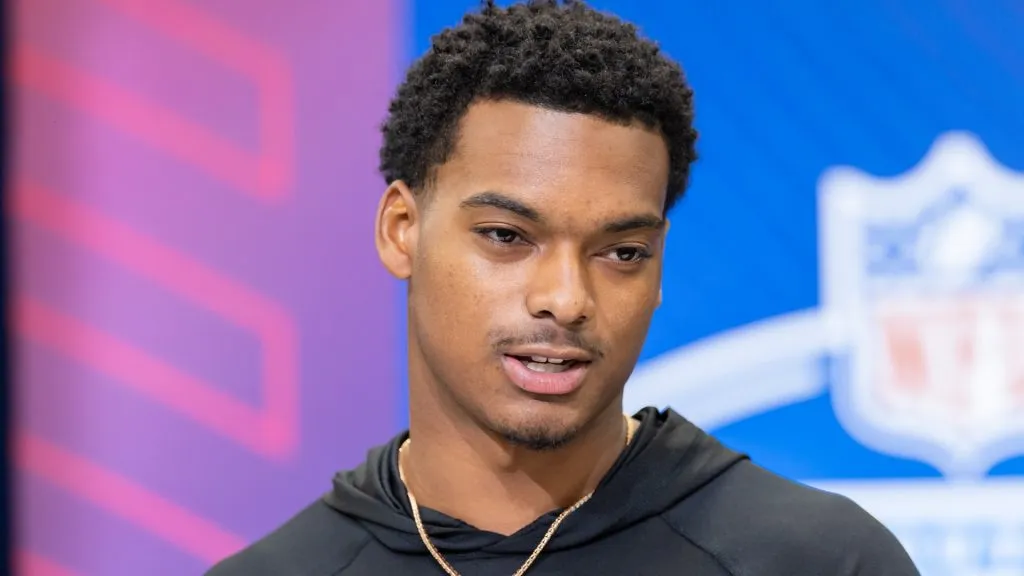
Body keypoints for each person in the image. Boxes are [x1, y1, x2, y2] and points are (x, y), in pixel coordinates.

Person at [207, 1, 920, 574]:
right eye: (507, 237)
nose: (567, 298)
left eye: (621, 251)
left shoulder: (818, 560)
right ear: (402, 230)